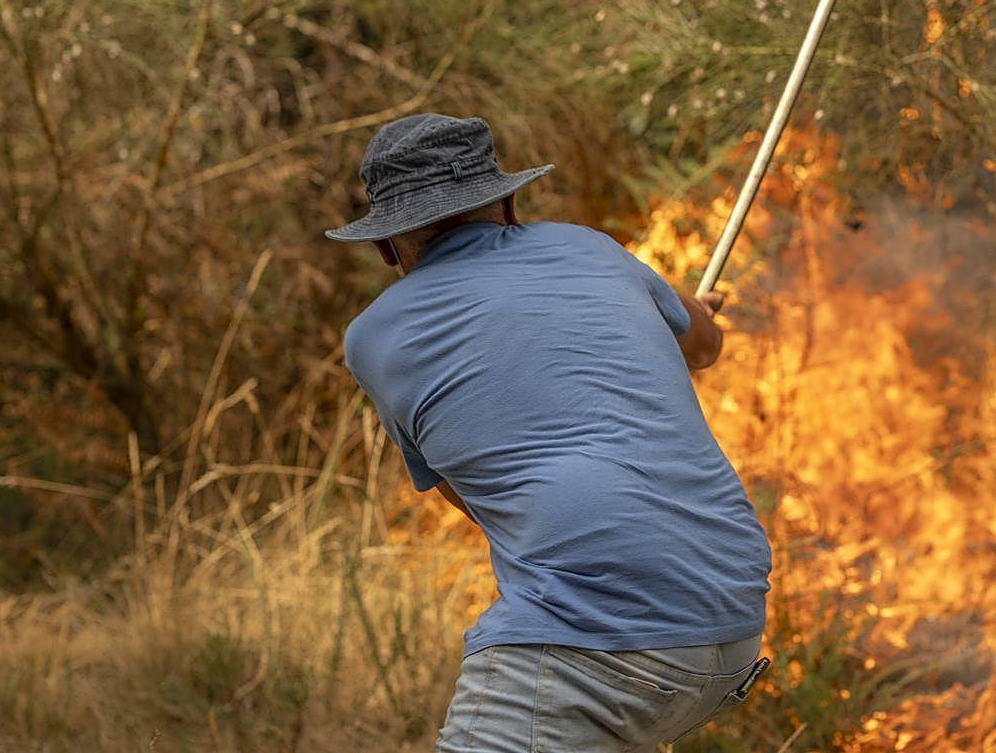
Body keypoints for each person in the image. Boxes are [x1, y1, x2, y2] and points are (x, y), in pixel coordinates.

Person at [327, 112, 773, 752]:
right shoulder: (591, 247)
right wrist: (692, 316)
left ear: (385, 246)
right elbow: (703, 346)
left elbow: (470, 494)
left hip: (595, 638)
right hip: (733, 619)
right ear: (508, 203)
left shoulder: (374, 337)